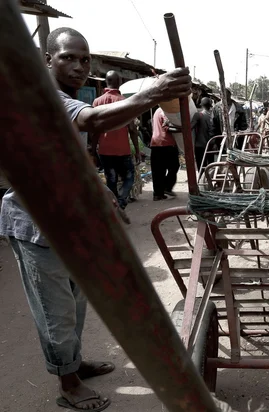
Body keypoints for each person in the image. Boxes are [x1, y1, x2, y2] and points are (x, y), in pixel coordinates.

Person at [0, 27, 191, 412]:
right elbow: (92, 121)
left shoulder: (66, 97)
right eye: (69, 57)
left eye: (85, 58)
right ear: (47, 60)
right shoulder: (46, 97)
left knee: (75, 301)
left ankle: (75, 364)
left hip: (69, 222)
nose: (80, 65)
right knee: (56, 312)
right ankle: (68, 384)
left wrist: (101, 192)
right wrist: (152, 92)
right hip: (36, 226)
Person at [91, 71, 140, 211]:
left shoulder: (97, 102)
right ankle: (121, 201)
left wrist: (93, 150)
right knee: (129, 178)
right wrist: (137, 150)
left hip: (105, 150)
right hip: (122, 150)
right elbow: (132, 129)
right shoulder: (125, 102)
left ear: (106, 82)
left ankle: (114, 207)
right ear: (119, 83)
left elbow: (94, 130)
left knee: (111, 180)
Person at [150, 108, 180, 200]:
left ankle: (158, 194)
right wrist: (182, 129)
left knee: (157, 170)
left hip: (155, 143)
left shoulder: (156, 111)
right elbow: (167, 127)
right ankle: (167, 187)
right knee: (174, 166)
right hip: (167, 143)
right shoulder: (165, 111)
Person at [194, 97, 214, 173]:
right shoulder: (212, 116)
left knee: (201, 166)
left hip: (200, 145)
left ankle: (202, 182)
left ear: (201, 105)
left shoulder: (198, 115)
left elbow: (189, 127)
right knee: (211, 166)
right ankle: (210, 181)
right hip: (210, 144)